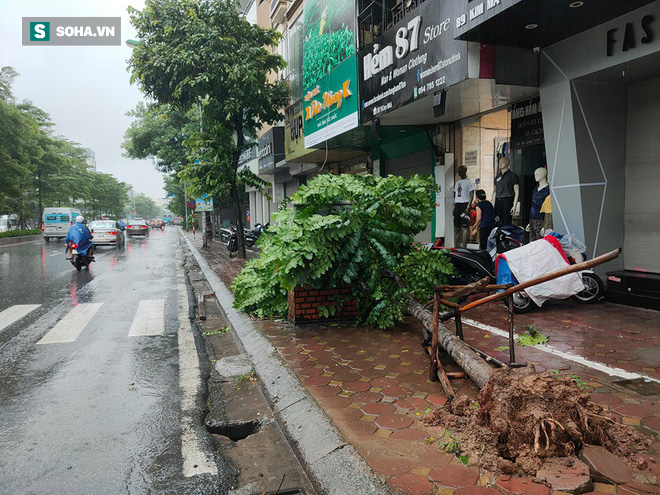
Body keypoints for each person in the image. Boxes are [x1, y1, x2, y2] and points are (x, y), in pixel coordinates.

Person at [492, 157, 519, 226]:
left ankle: (505, 236)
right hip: (498, 201)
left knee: (506, 222)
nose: (500, 164)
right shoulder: (497, 177)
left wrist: (514, 205)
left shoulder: (513, 176)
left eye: (502, 162)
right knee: (497, 221)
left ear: (508, 163)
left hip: (507, 200)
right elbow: (494, 191)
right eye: (499, 162)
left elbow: (517, 191)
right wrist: (492, 203)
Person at [453, 165, 475, 248]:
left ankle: (464, 246)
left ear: (465, 171)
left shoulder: (469, 182)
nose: (459, 173)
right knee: (456, 226)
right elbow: (455, 194)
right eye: (458, 171)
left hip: (465, 204)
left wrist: (468, 207)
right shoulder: (457, 183)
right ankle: (456, 246)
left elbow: (471, 195)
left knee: (464, 226)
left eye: (461, 171)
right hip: (457, 204)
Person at [526, 167, 550, 241]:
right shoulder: (535, 190)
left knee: (541, 241)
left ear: (543, 175)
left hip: (542, 218)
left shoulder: (548, 190)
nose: (535, 176)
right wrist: (530, 222)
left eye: (537, 174)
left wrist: (546, 225)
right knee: (532, 241)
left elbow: (549, 208)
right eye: (535, 174)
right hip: (532, 218)